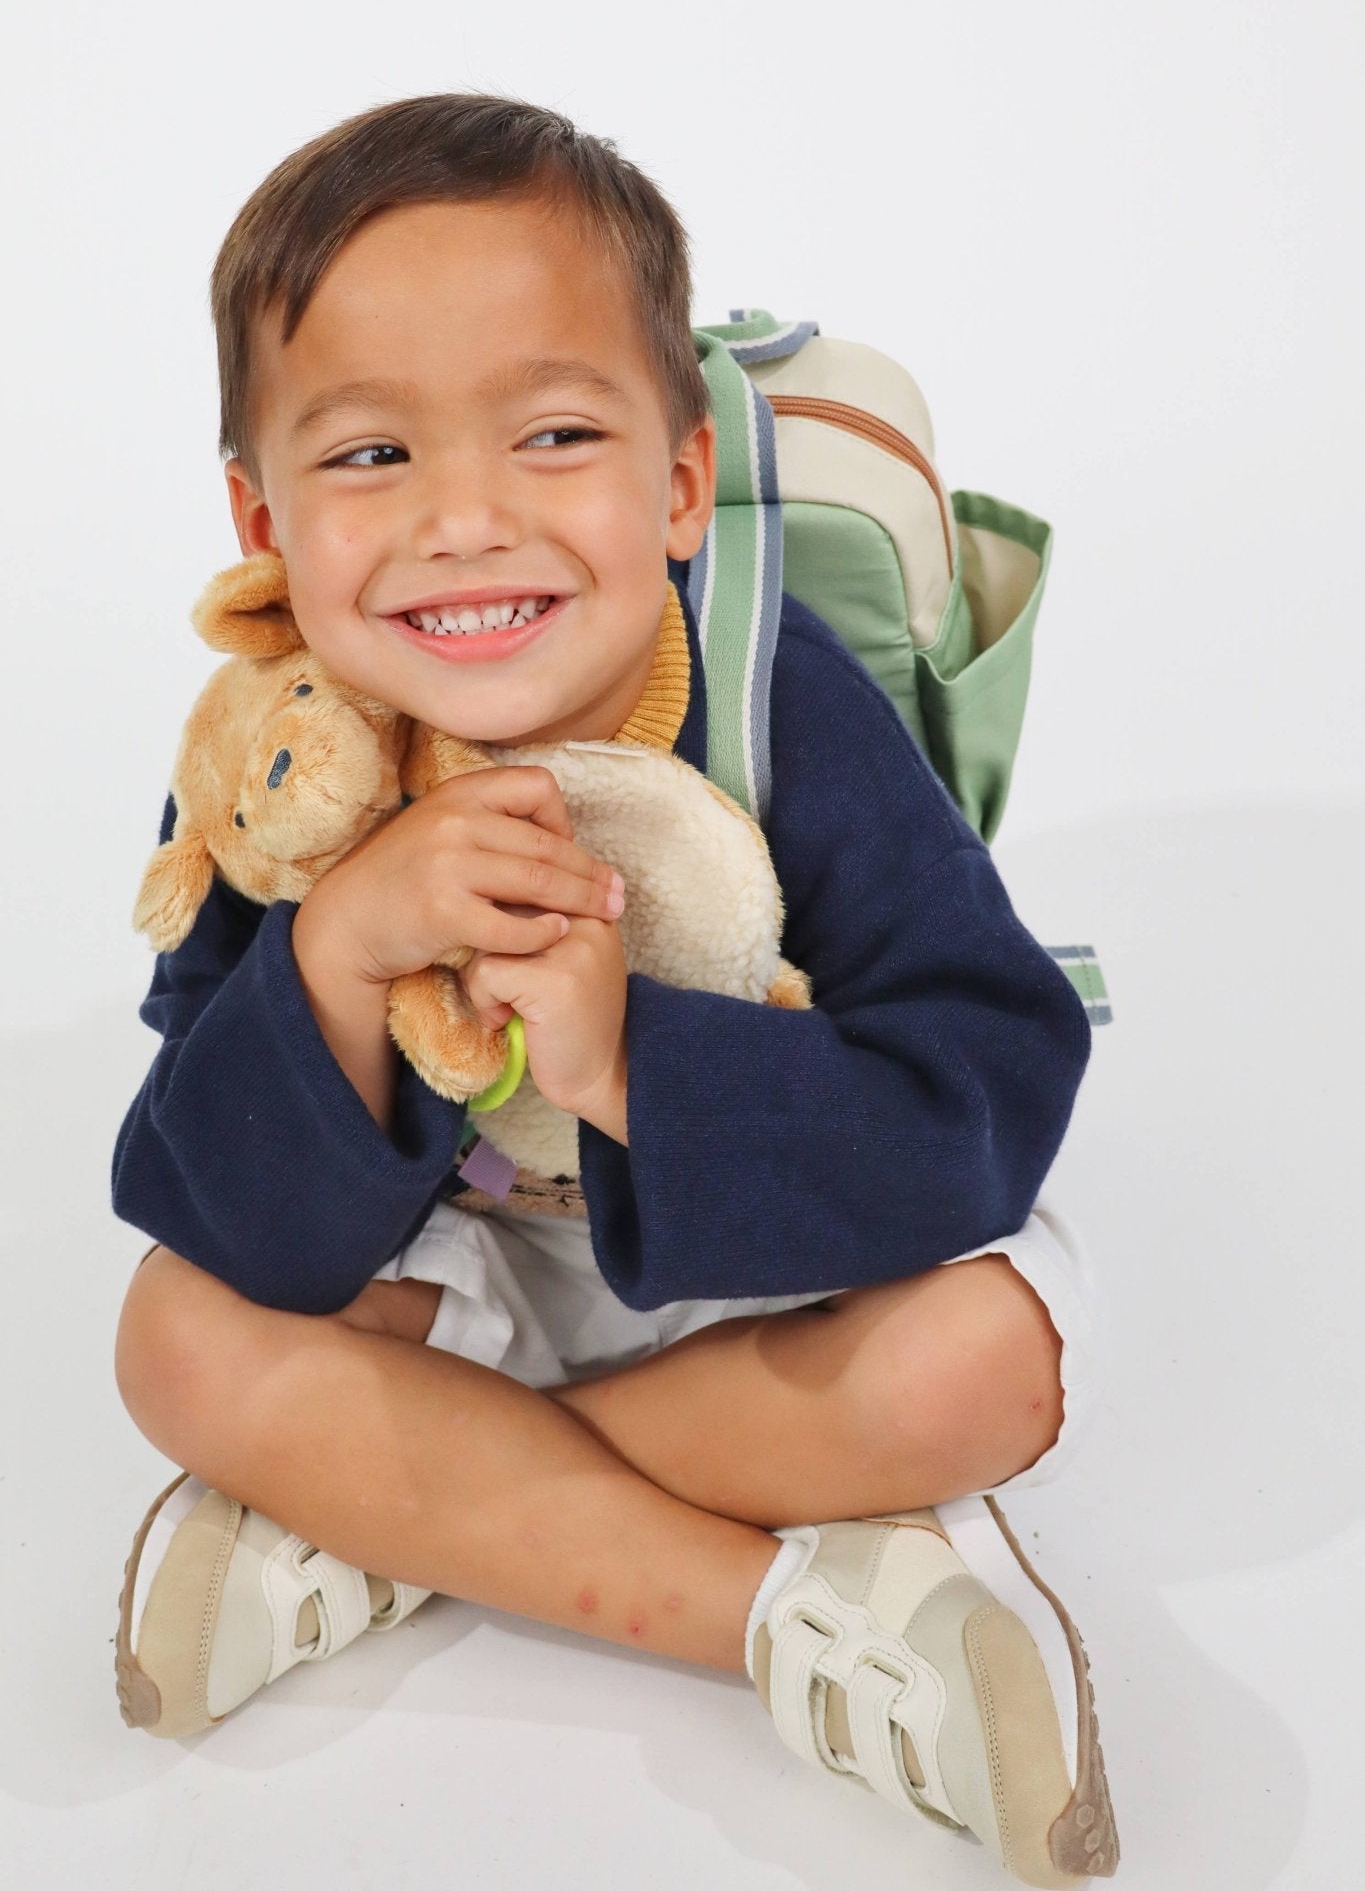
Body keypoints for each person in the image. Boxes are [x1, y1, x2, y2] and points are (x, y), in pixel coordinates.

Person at [110, 93, 1119, 1884]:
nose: (463, 522)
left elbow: (987, 1093)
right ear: (261, 516)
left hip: (768, 1300)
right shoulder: (288, 757)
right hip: (461, 1272)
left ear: (670, 484)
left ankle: (390, 1517)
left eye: (553, 433)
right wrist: (338, 958)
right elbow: (219, 1210)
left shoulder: (769, 698)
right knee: (176, 1337)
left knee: (995, 1359)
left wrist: (628, 1057)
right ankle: (781, 1611)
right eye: (366, 461)